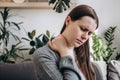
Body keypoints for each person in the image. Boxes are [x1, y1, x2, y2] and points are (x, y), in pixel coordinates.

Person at [33, 4, 99, 80]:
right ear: (68, 21)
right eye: (83, 29)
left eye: (89, 33)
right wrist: (66, 54)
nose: (85, 37)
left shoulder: (82, 53)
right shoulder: (43, 55)